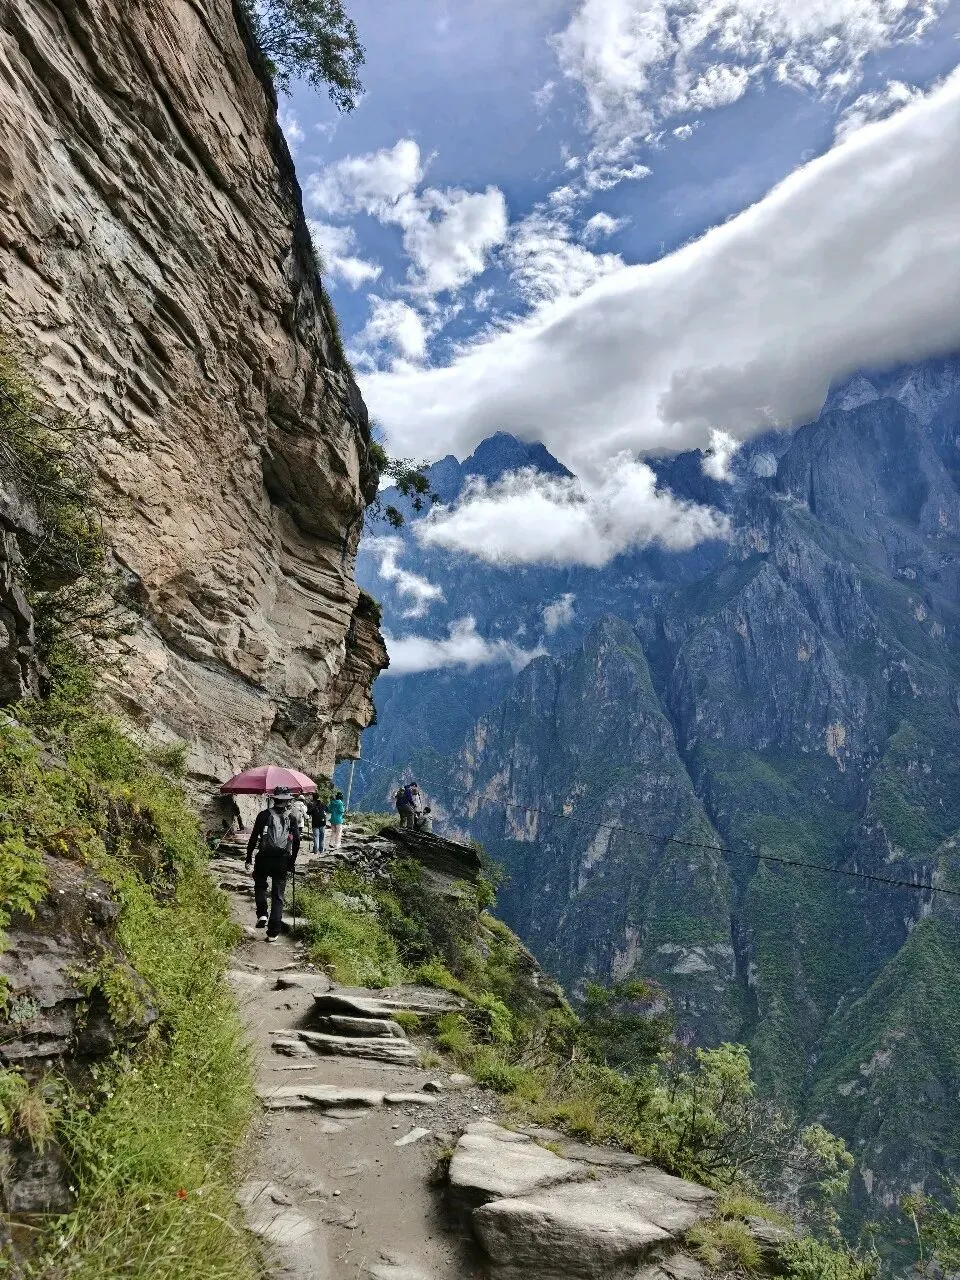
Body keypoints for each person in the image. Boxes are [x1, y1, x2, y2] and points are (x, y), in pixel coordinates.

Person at [245, 787, 300, 942]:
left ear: (274, 799)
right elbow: (296, 841)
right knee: (278, 895)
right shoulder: (292, 818)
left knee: (260, 885)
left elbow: (254, 837)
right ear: (287, 801)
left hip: (263, 858)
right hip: (282, 860)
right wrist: (291, 862)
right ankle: (273, 932)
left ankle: (262, 914)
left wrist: (249, 856)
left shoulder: (264, 815)